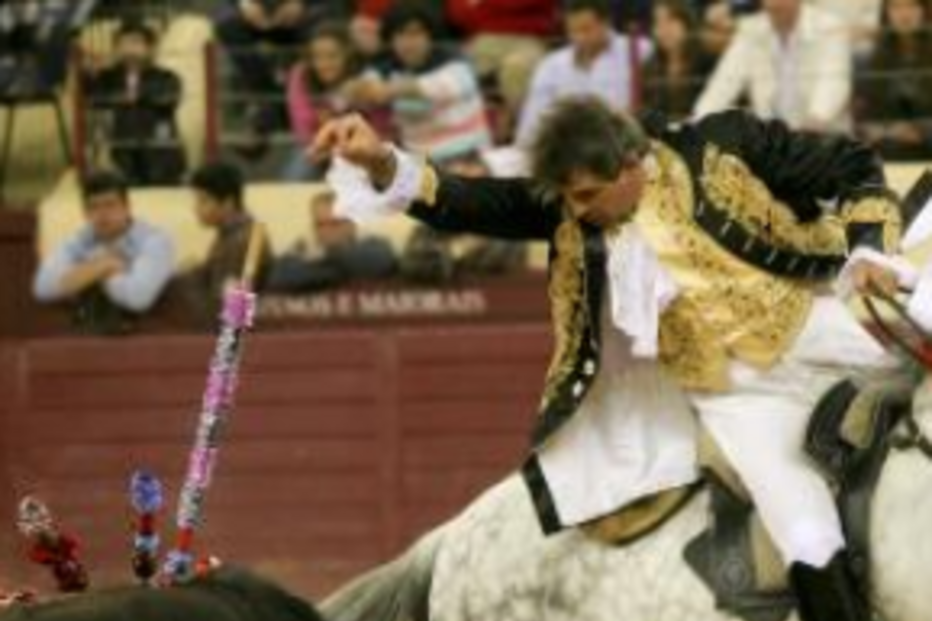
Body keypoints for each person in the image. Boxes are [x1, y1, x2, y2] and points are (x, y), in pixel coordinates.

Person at [313, 98, 906, 621]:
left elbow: (851, 165)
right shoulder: (572, 208)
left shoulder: (722, 144)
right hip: (740, 396)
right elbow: (469, 202)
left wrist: (870, 253)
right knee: (804, 532)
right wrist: (380, 160)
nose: (578, 210)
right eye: (568, 198)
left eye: (589, 195)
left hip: (819, 331)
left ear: (630, 165)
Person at [33, 170, 175, 334]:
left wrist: (84, 274)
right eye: (94, 207)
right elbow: (43, 288)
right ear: (85, 213)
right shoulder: (81, 240)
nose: (102, 214)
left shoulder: (154, 240)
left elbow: (138, 298)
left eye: (110, 204)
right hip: (90, 337)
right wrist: (103, 265)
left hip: (148, 339)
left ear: (127, 207)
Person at [694, 0, 854, 133]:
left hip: (824, 140)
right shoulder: (751, 30)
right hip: (772, 148)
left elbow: (834, 83)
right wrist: (696, 124)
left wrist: (815, 121)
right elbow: (723, 83)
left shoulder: (830, 26)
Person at [515, 0, 650, 146]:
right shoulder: (551, 66)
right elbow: (530, 125)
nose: (579, 37)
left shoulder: (640, 51)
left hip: (625, 145)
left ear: (606, 23)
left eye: (586, 29)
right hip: (569, 152)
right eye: (572, 31)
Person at [83, 20, 186, 186]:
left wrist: (135, 97)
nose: (130, 49)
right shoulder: (106, 78)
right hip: (120, 145)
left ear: (150, 48)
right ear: (116, 49)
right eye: (123, 44)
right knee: (123, 117)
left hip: (158, 144)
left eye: (136, 43)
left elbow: (168, 99)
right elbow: (94, 101)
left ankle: (157, 174)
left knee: (152, 119)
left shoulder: (166, 77)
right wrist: (89, 77)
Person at [176, 161, 272, 326]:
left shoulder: (242, 241)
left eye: (203, 200)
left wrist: (190, 279)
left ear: (228, 203)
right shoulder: (230, 235)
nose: (196, 208)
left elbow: (235, 315)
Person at [267, 190, 397, 292]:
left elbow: (383, 262)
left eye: (335, 223)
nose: (327, 231)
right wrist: (341, 269)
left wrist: (327, 256)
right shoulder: (304, 246)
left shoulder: (372, 243)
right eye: (320, 225)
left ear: (351, 224)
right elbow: (279, 277)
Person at [856, 0, 932, 160]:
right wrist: (887, 131)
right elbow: (868, 115)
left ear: (924, 10)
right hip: (889, 151)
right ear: (886, 13)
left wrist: (921, 132)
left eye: (912, 5)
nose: (904, 14)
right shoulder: (876, 57)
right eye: (896, 7)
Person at [641, 0, 717, 120]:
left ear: (687, 22)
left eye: (671, 20)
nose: (663, 28)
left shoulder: (709, 61)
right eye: (657, 22)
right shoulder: (649, 68)